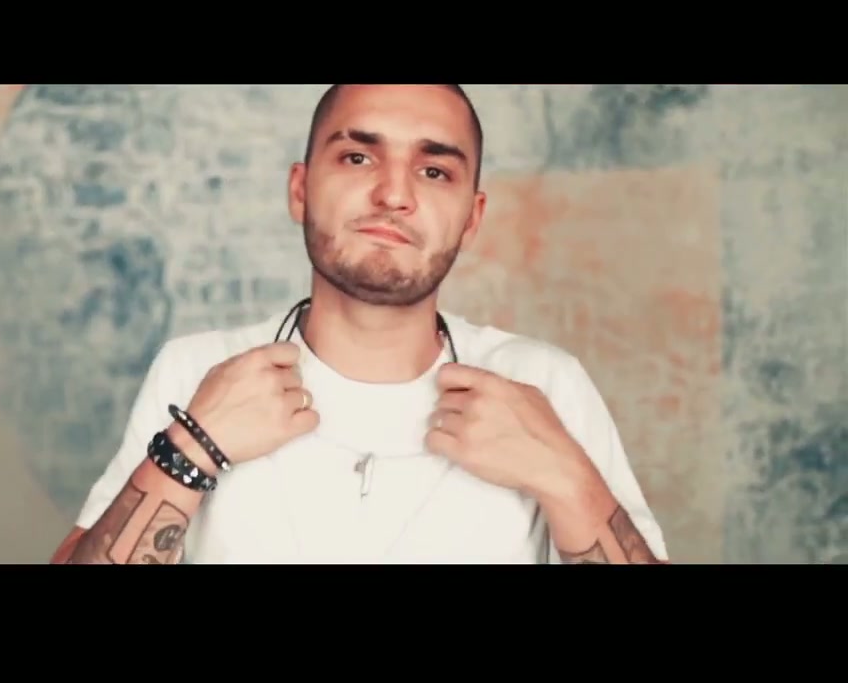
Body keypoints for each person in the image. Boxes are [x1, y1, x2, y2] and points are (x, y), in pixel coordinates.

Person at [50, 84, 670, 564]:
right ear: (300, 190)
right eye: (356, 156)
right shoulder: (196, 371)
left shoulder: (544, 383)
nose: (393, 194)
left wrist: (565, 478)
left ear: (472, 218)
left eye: (434, 170)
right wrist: (193, 449)